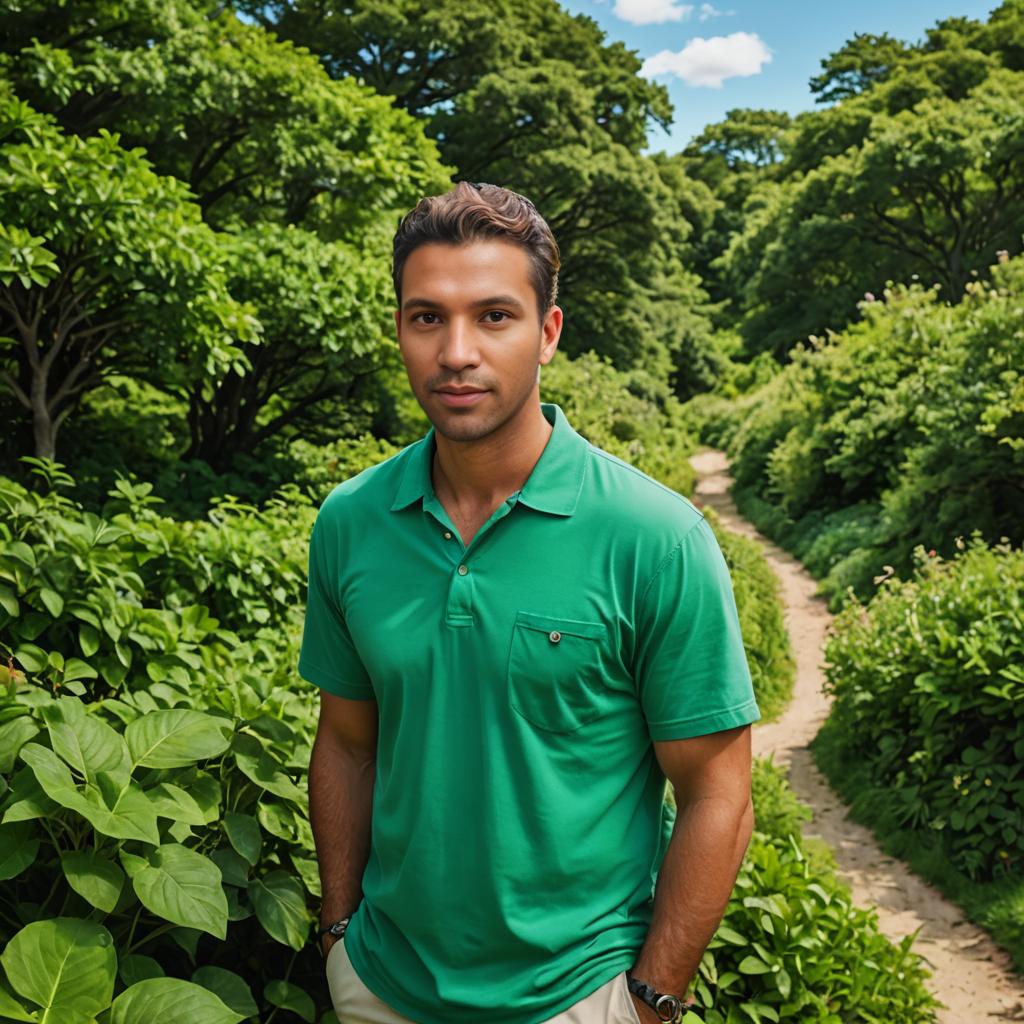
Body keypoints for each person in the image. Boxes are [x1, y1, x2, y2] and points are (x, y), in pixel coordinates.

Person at [298, 181, 761, 1024]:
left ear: (547, 333)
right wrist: (339, 938)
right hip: (381, 986)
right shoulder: (351, 523)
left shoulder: (655, 538)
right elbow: (348, 742)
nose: (456, 352)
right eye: (426, 317)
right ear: (400, 329)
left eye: (495, 316)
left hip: (577, 997)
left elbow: (717, 792)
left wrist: (648, 1000)